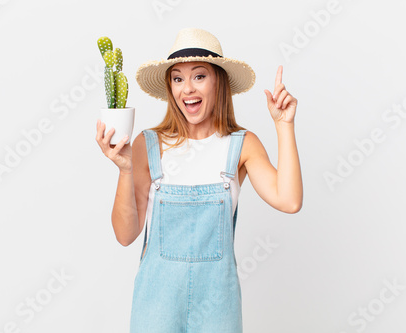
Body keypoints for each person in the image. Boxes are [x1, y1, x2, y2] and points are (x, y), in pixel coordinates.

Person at [96, 28, 302, 333]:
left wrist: (284, 126)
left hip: (218, 311)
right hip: (155, 311)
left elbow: (289, 200)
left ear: (219, 81)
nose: (187, 89)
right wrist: (125, 170)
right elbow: (125, 235)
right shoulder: (148, 144)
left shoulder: (241, 144)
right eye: (177, 78)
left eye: (199, 76)